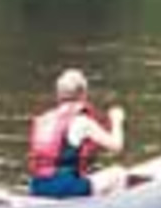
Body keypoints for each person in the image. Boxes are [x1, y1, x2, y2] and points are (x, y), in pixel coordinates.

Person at [28, 69, 127, 198]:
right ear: (83, 94)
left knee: (87, 177)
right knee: (118, 173)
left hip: (37, 186)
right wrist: (116, 120)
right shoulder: (82, 121)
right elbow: (117, 146)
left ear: (58, 94)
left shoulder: (44, 119)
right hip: (65, 188)